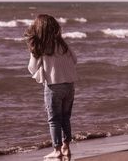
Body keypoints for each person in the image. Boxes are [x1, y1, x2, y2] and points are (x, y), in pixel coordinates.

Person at [25, 14, 78, 159]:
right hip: (70, 86)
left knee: (54, 119)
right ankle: (66, 147)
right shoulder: (62, 44)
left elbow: (32, 68)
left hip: (54, 87)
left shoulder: (40, 46)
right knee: (65, 117)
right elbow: (75, 59)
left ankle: (57, 150)